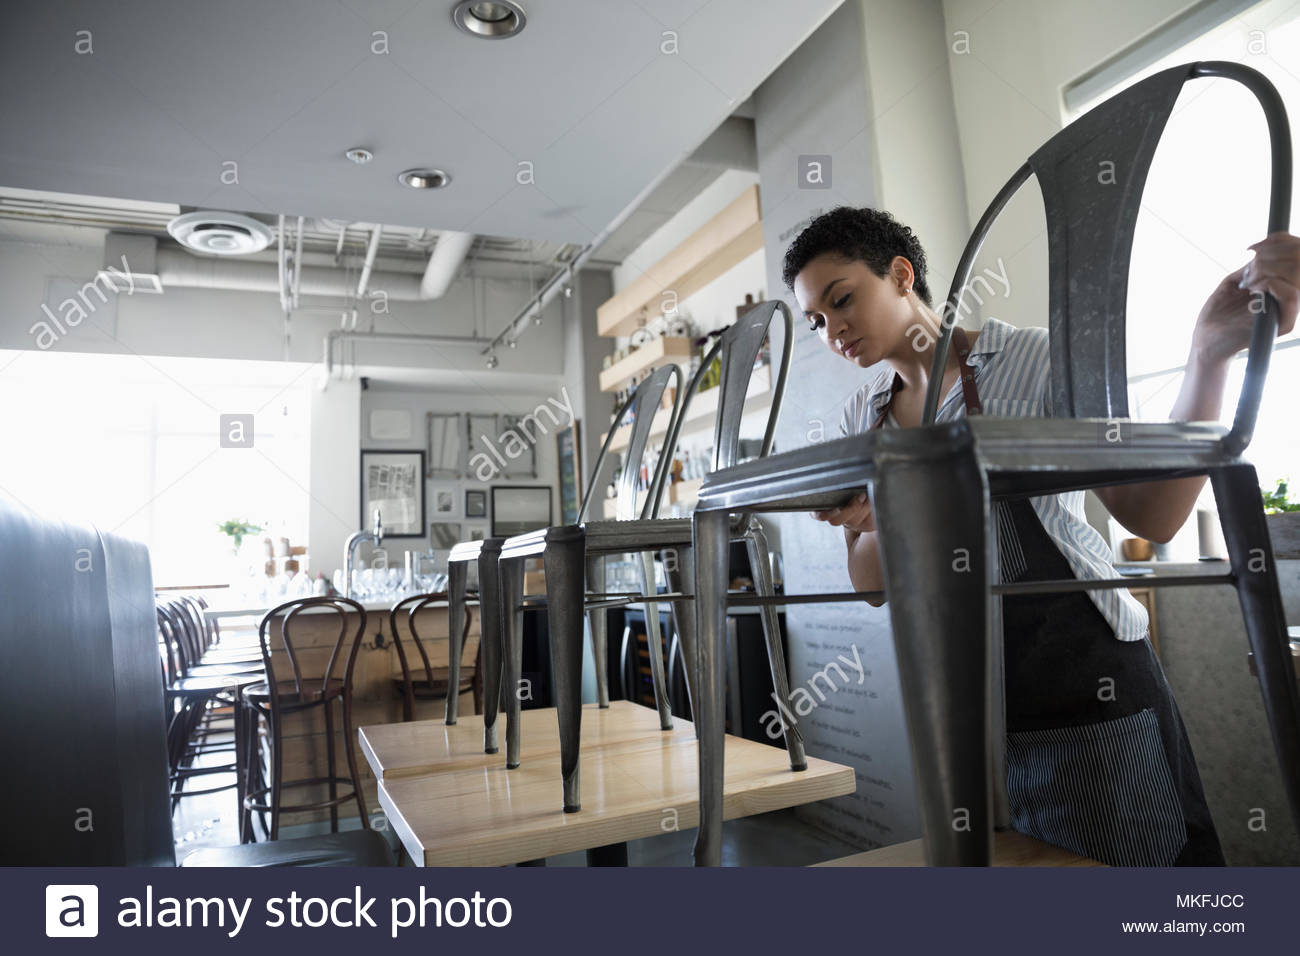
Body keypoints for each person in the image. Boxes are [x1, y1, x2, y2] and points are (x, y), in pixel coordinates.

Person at [787, 206, 1300, 866]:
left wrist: (1207, 354)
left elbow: (1153, 513)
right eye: (817, 321)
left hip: (1087, 678)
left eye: (842, 300)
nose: (834, 331)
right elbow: (871, 584)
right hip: (974, 705)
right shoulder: (864, 413)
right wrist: (885, 511)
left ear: (900, 274)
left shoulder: (1031, 359)